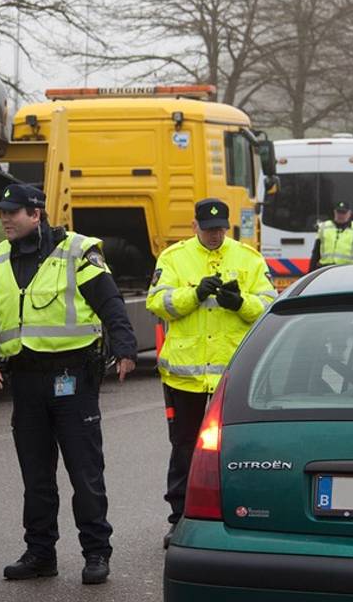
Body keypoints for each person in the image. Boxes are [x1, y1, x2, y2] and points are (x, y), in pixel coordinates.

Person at [0, 183, 137, 586]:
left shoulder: (76, 250)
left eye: (13, 212)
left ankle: (96, 553)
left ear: (36, 214)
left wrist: (126, 346)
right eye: (1, 213)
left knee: (85, 472)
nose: (5, 219)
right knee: (36, 477)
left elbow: (109, 301)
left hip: (72, 377)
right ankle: (40, 553)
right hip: (25, 381)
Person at [147, 198, 275, 547]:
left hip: (233, 374)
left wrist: (240, 303)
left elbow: (269, 306)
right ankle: (180, 518)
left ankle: (242, 513)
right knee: (185, 448)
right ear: (195, 227)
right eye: (208, 229)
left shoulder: (248, 258)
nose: (215, 235)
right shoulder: (174, 258)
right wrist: (194, 294)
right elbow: (157, 302)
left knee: (239, 448)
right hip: (185, 376)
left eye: (220, 229)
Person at [309, 201, 353, 270]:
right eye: (339, 212)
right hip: (325, 269)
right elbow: (316, 253)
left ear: (349, 213)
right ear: (334, 212)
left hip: (347, 269)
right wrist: (311, 271)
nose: (340, 215)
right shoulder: (324, 227)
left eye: (344, 213)